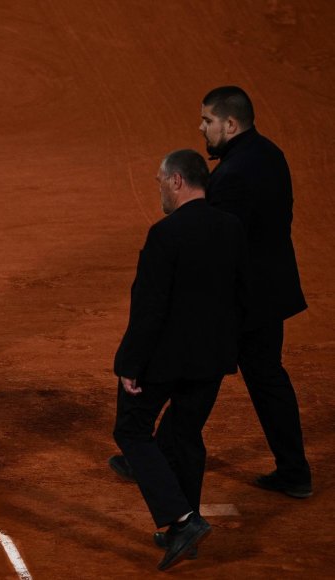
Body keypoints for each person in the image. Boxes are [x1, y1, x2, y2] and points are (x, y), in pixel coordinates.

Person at [110, 87, 312, 499]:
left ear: (230, 124)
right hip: (269, 293)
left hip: (240, 300)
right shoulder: (270, 154)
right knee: (267, 379)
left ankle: (147, 451)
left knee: (182, 366)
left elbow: (215, 243)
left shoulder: (232, 176)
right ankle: (294, 470)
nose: (202, 128)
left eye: (207, 121)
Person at [112, 150, 248, 571]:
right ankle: (182, 535)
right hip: (213, 358)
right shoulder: (233, 228)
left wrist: (130, 363)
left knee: (132, 431)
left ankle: (184, 520)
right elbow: (241, 296)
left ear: (176, 181)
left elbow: (150, 308)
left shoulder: (165, 234)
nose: (159, 191)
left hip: (164, 360)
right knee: (184, 435)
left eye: (159, 182)